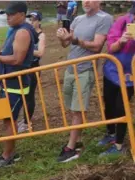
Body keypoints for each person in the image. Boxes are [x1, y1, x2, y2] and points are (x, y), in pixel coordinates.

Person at [56, 0, 113, 162]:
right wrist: (62, 37)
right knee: (72, 108)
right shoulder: (78, 19)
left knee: (78, 109)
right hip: (70, 69)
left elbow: (96, 46)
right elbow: (66, 44)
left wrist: (74, 39)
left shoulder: (104, 18)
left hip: (85, 70)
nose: (86, 2)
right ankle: (78, 140)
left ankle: (71, 147)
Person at [0, 1, 36, 169]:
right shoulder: (15, 30)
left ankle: (7, 156)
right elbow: (10, 53)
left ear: (22, 14)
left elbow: (17, 59)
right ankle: (9, 152)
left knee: (10, 121)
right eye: (6, 14)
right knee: (6, 120)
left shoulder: (23, 32)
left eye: (11, 14)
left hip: (16, 84)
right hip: (8, 83)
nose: (8, 17)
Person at [98, 3, 135, 156]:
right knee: (109, 104)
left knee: (122, 108)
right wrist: (121, 41)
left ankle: (119, 145)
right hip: (113, 71)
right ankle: (110, 133)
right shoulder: (123, 21)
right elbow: (111, 48)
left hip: (130, 75)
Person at [17, 10, 46, 133]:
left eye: (33, 19)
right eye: (29, 19)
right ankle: (23, 120)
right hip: (22, 68)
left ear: (39, 21)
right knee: (21, 95)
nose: (30, 21)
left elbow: (40, 52)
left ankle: (27, 123)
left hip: (33, 68)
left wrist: (25, 49)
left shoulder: (41, 35)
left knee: (29, 96)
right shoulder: (26, 33)